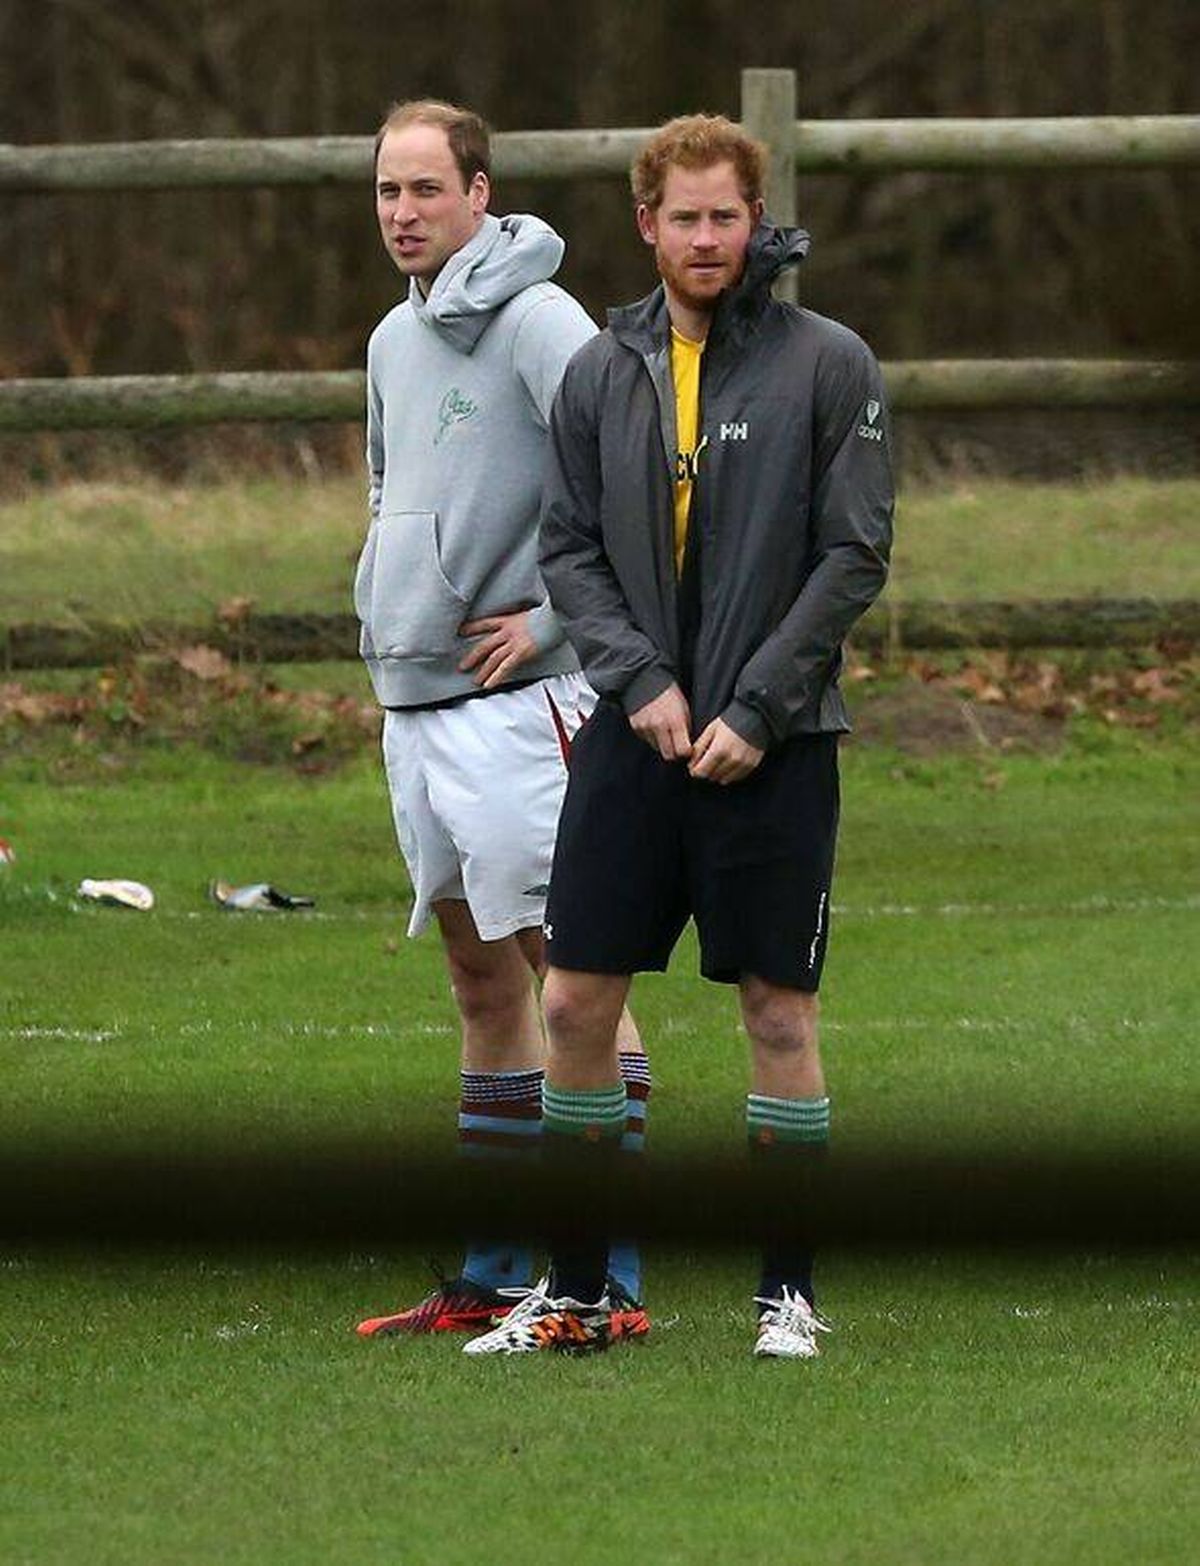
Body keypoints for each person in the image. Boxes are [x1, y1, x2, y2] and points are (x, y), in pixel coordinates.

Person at [464, 113, 893, 1360]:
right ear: (644, 225)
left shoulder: (831, 363)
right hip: (632, 739)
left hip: (779, 743)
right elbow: (570, 551)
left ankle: (787, 1298)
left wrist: (757, 709)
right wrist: (640, 683)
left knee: (777, 1014)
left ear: (755, 223)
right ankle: (582, 1294)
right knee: (581, 998)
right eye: (683, 217)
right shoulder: (603, 370)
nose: (706, 238)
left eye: (727, 216)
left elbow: (853, 553)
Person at [351, 99, 650, 1339]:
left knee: (571, 984)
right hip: (417, 708)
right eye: (386, 193)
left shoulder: (542, 320)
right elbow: (385, 488)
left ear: (481, 192)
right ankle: (489, 1270)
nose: (405, 214)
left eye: (427, 190)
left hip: (527, 710)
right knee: (482, 985)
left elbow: (630, 476)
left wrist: (558, 629)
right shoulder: (388, 337)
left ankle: (611, 1277)